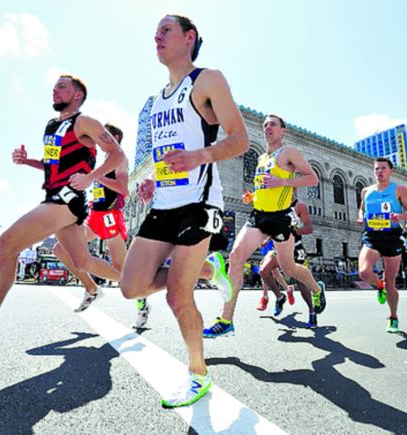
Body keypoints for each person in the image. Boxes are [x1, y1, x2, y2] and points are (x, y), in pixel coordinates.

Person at [0, 74, 125, 358]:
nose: (55, 91)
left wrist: (90, 178)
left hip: (67, 199)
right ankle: (131, 280)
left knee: (4, 245)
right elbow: (52, 164)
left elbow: (117, 155)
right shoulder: (52, 126)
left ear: (78, 95)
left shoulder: (85, 122)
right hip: (55, 196)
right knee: (82, 261)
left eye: (62, 87)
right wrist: (27, 161)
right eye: (54, 87)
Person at [120, 15, 249, 408]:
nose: (156, 36)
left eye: (166, 31)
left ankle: (198, 374)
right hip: (164, 203)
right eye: (155, 32)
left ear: (189, 37)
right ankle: (210, 271)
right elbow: (167, 155)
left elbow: (240, 140)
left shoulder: (207, 80)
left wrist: (199, 156)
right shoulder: (159, 99)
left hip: (200, 202)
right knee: (131, 287)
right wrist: (153, 180)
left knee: (178, 295)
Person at [203, 114, 326, 339]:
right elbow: (265, 187)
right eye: (265, 125)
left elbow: (312, 179)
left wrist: (283, 181)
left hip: (280, 218)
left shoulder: (288, 152)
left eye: (272, 125)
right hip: (258, 216)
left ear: (282, 131)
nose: (267, 128)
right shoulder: (262, 158)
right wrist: (252, 196)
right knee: (236, 257)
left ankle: (317, 289)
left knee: (289, 269)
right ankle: (226, 320)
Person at [52, 123, 129, 309]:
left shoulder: (119, 158)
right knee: (60, 249)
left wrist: (94, 176)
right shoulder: (101, 160)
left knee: (122, 272)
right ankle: (91, 288)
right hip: (94, 215)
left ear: (114, 139)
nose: (98, 137)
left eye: (103, 135)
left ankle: (140, 293)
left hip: (110, 215)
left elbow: (123, 189)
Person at [357, 157, 407, 333]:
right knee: (364, 273)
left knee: (391, 284)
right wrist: (360, 217)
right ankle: (379, 285)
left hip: (392, 238)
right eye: (376, 169)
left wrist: (400, 217)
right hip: (372, 237)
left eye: (383, 168)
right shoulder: (366, 191)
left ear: (391, 171)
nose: (379, 171)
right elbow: (362, 208)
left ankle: (393, 317)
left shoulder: (399, 189)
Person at [257, 198, 318, 327]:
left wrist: (292, 232)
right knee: (263, 270)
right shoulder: (277, 206)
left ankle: (312, 311)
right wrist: (266, 240)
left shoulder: (299, 205)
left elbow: (309, 228)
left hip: (296, 247)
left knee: (301, 284)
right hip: (279, 247)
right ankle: (280, 297)